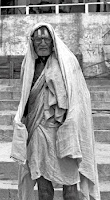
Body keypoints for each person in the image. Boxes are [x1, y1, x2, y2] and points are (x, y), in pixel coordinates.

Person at [11, 22, 100, 200]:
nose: (42, 43)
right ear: (32, 42)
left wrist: (72, 123)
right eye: (38, 39)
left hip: (64, 132)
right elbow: (26, 100)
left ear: (53, 41)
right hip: (38, 132)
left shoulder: (67, 63)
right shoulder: (28, 66)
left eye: (46, 39)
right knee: (44, 191)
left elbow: (79, 97)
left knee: (70, 190)